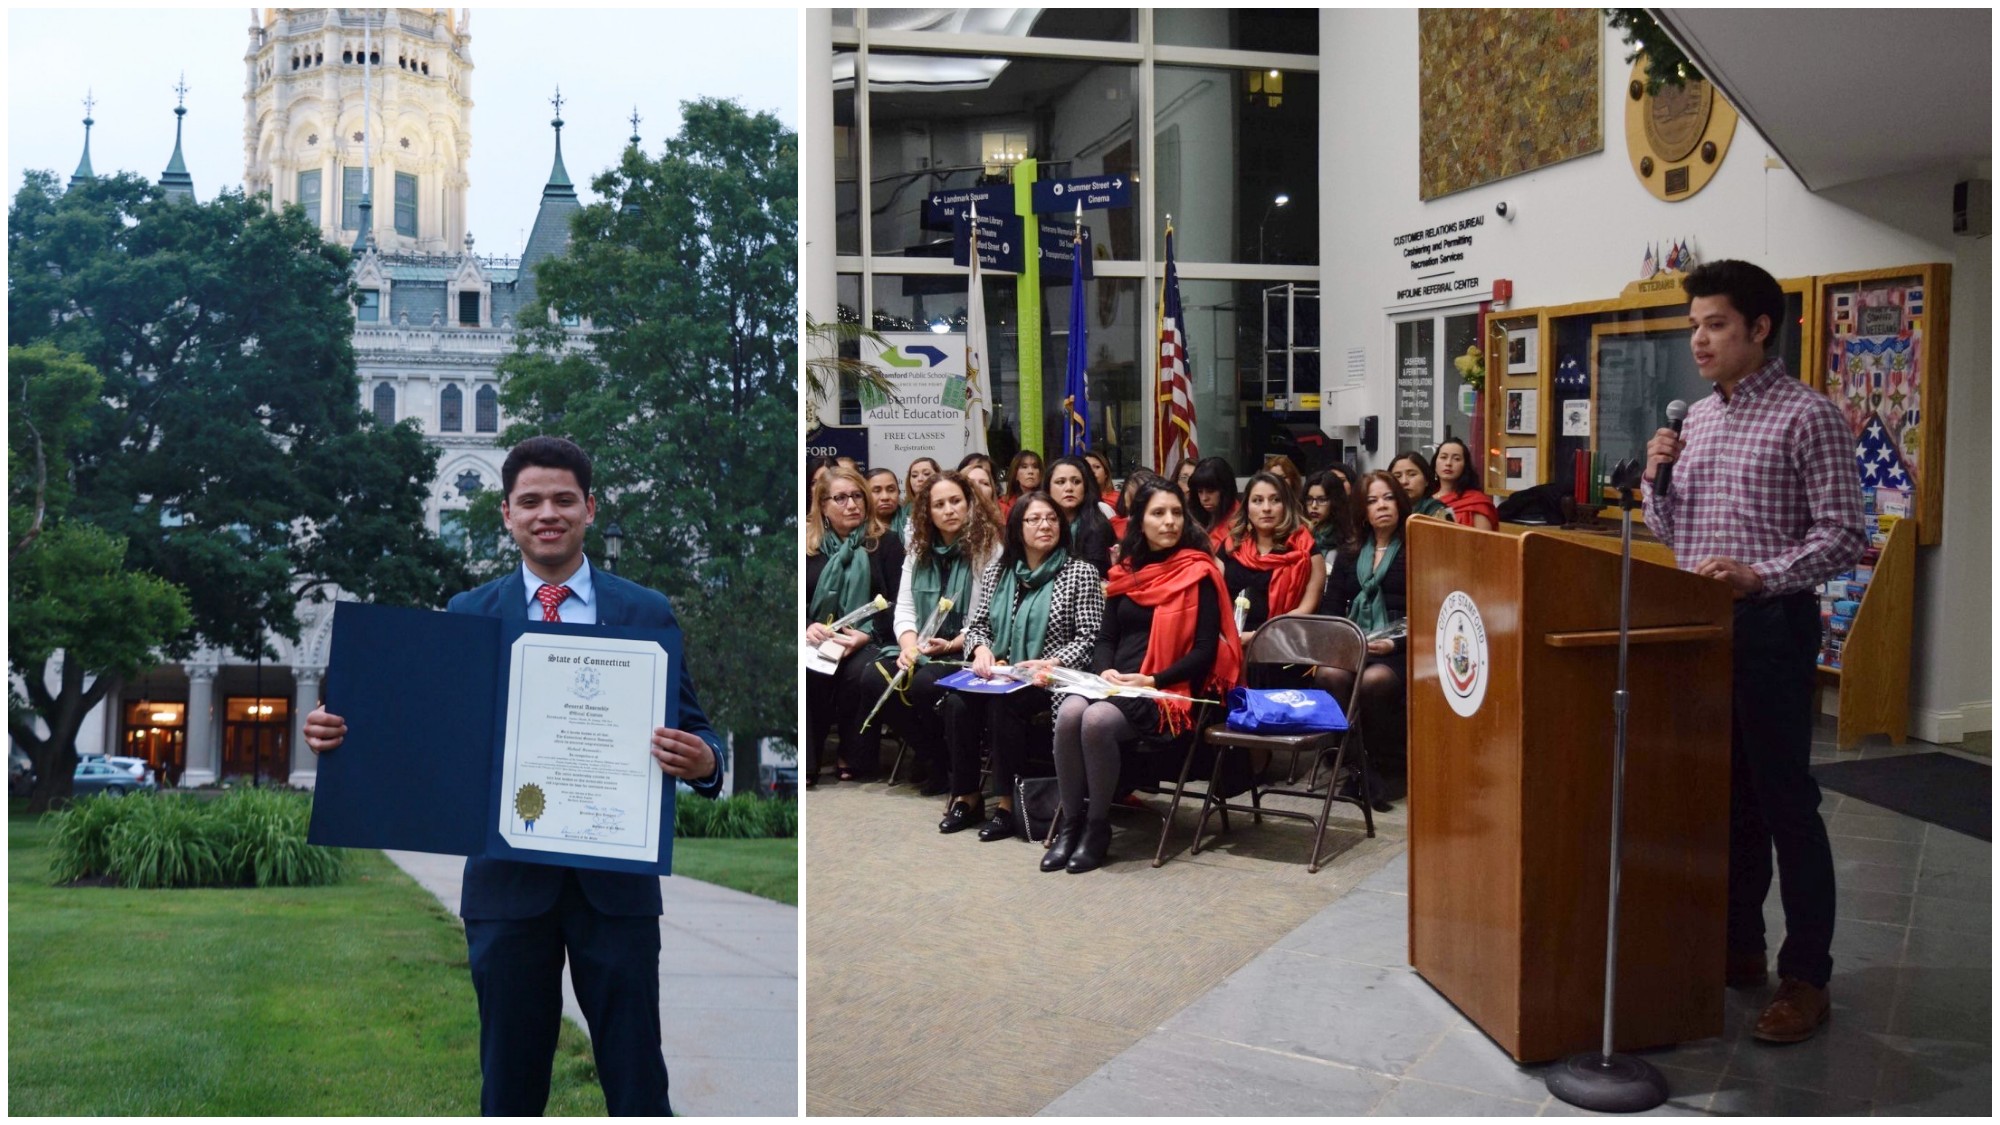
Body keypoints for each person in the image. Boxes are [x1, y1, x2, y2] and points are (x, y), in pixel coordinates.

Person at [301, 436, 722, 1117]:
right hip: (506, 886)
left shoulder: (644, 611)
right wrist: (343, 733)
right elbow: (428, 732)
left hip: (615, 889)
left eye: (562, 499)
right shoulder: (470, 613)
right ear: (506, 514)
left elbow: (697, 728)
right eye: (530, 501)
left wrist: (705, 760)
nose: (546, 513)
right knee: (510, 1081)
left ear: (590, 507)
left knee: (637, 1073)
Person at [1643, 259, 1866, 1044]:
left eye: (1715, 325)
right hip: (1699, 632)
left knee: (1785, 805)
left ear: (1760, 328)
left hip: (1771, 627)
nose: (1697, 339)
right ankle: (1740, 945)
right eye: (1694, 325)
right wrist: (1656, 480)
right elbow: (1675, 536)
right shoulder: (1695, 420)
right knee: (1726, 800)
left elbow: (1845, 533)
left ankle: (1807, 976)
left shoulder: (1808, 416)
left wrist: (1757, 574)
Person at [1047, 479, 1243, 874]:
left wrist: (1151, 680)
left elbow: (1205, 653)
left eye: (1175, 512)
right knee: (1069, 712)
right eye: (1158, 513)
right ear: (1141, 520)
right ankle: (1071, 825)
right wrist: (1105, 672)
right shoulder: (1127, 572)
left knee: (1097, 720)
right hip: (1118, 680)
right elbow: (1107, 637)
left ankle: (1097, 828)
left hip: (1167, 690)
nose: (1169, 521)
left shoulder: (1198, 571)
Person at [944, 493, 1105, 841]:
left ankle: (1006, 805)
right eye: (1034, 519)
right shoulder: (999, 572)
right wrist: (981, 650)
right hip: (1002, 671)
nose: (1045, 525)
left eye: (1051, 518)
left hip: (1050, 678)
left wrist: (1054, 661)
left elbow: (1090, 637)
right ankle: (967, 796)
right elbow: (978, 625)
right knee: (958, 703)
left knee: (1005, 707)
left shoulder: (1080, 572)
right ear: (1017, 529)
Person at [877, 470, 1001, 803]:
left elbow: (985, 615)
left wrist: (950, 644)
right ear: (927, 512)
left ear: (969, 504)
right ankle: (935, 757)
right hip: (924, 646)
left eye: (955, 501)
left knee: (922, 683)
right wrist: (909, 646)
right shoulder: (918, 549)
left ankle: (942, 763)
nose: (949, 510)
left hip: (966, 649)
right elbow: (903, 608)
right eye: (939, 504)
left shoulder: (989, 547)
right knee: (871, 680)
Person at [1314, 470, 1411, 811]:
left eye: (1387, 498)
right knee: (1328, 675)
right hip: (1356, 644)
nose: (1381, 506)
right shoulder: (1351, 552)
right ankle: (1360, 766)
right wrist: (1344, 643)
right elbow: (1330, 607)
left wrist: (1394, 645)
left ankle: (1387, 763)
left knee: (1373, 681)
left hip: (1404, 648)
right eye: (1372, 501)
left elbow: (1431, 610)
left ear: (1399, 502)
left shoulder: (1417, 547)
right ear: (1362, 510)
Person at [804, 465, 904, 784]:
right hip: (817, 636)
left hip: (871, 636)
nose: (852, 505)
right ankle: (808, 761)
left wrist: (866, 634)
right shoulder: (807, 547)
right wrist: (806, 625)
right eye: (841, 498)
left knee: (858, 672)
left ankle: (855, 754)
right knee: (808, 670)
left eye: (858, 496)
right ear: (823, 506)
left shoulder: (885, 543)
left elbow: (899, 601)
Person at [1222, 471, 1325, 648]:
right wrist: (1230, 636)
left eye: (1275, 500)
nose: (1266, 508)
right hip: (1229, 642)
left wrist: (1257, 637)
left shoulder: (1307, 550)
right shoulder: (1231, 546)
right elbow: (1212, 602)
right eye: (1257, 501)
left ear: (1286, 506)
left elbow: (1305, 611)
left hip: (1285, 646)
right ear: (1247, 507)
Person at [1045, 455, 1116, 575]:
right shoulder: (1040, 524)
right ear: (1048, 489)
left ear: (1085, 487)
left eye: (1076, 482)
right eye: (1060, 482)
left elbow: (1093, 576)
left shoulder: (1097, 526)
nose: (1069, 488)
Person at [1432, 437, 1498, 530]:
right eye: (1443, 457)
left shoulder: (1476, 503)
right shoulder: (1427, 499)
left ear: (1465, 466)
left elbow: (1484, 542)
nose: (1448, 463)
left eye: (1456, 459)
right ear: (1435, 463)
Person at [1304, 468, 1358, 560]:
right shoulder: (1300, 534)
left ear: (1334, 501)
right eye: (1309, 499)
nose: (1314, 506)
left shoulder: (1348, 535)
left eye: (1322, 500)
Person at [1185, 456, 1239, 546]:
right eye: (1200, 491)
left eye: (1210, 491)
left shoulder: (1239, 521)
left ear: (1225, 490)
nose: (1204, 498)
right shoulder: (1194, 513)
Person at [1389, 450, 1453, 520]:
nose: (1404, 481)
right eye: (1397, 476)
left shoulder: (1438, 510)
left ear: (1426, 480)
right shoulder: (1385, 510)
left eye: (1412, 474)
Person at [1001, 449, 1045, 519]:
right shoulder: (1004, 505)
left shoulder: (1049, 503)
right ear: (1016, 474)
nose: (1030, 471)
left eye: (1035, 467)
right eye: (1024, 467)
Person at [867, 467, 904, 537]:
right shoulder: (856, 530)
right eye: (877, 491)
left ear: (898, 492)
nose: (885, 497)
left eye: (891, 490)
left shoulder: (913, 526)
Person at [1081, 450, 1118, 514]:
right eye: (1087, 467)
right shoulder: (1077, 499)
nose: (1092, 471)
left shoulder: (1119, 499)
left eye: (1097, 467)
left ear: (1106, 473)